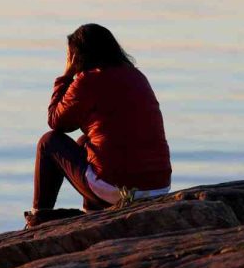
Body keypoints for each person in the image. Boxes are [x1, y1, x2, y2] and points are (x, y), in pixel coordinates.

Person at [25, 23, 172, 228]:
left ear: (77, 56)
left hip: (119, 190)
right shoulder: (137, 76)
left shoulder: (88, 81)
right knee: (84, 142)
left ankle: (38, 216)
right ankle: (93, 213)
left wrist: (67, 76)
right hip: (158, 187)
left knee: (49, 141)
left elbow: (56, 121)